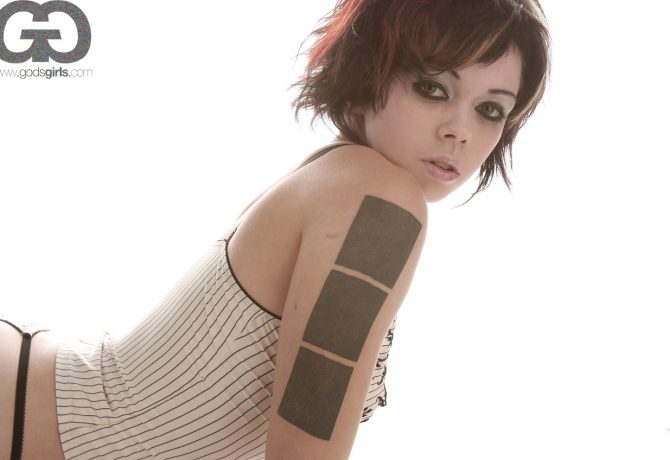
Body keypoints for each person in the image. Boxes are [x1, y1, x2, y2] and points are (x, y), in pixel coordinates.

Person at [0, 0, 551, 458]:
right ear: (370, 75)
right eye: (433, 88)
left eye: (490, 110)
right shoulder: (381, 198)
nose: (460, 131)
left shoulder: (344, 178)